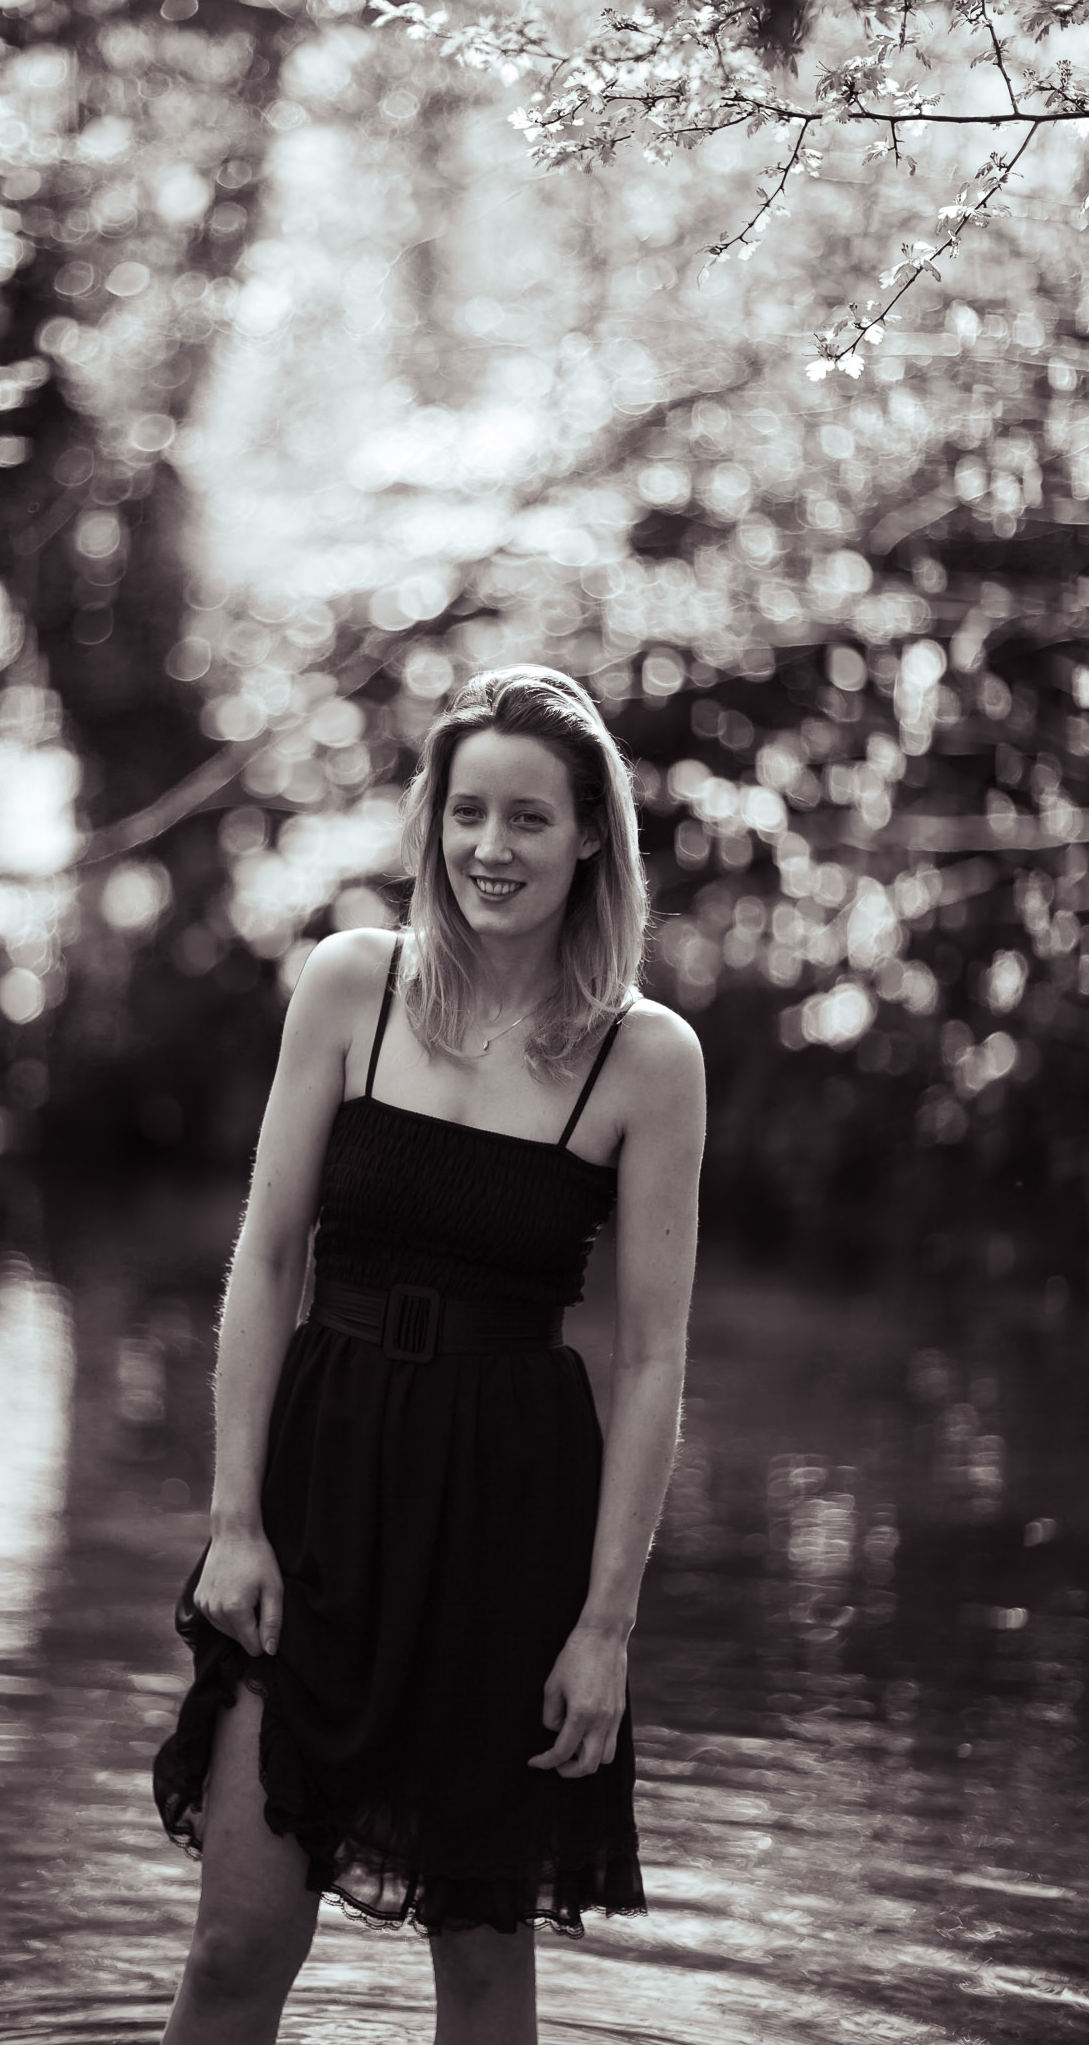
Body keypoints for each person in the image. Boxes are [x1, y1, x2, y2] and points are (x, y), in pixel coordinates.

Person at [153, 665, 705, 2045]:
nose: (488, 850)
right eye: (466, 813)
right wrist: (233, 1523)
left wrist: (604, 1626)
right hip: (319, 1490)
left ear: (591, 837)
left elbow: (648, 1362)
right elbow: (267, 1258)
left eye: (527, 819)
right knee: (232, 1950)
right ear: (430, 822)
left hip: (505, 1520)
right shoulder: (351, 985)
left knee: (480, 1975)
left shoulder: (646, 1060)